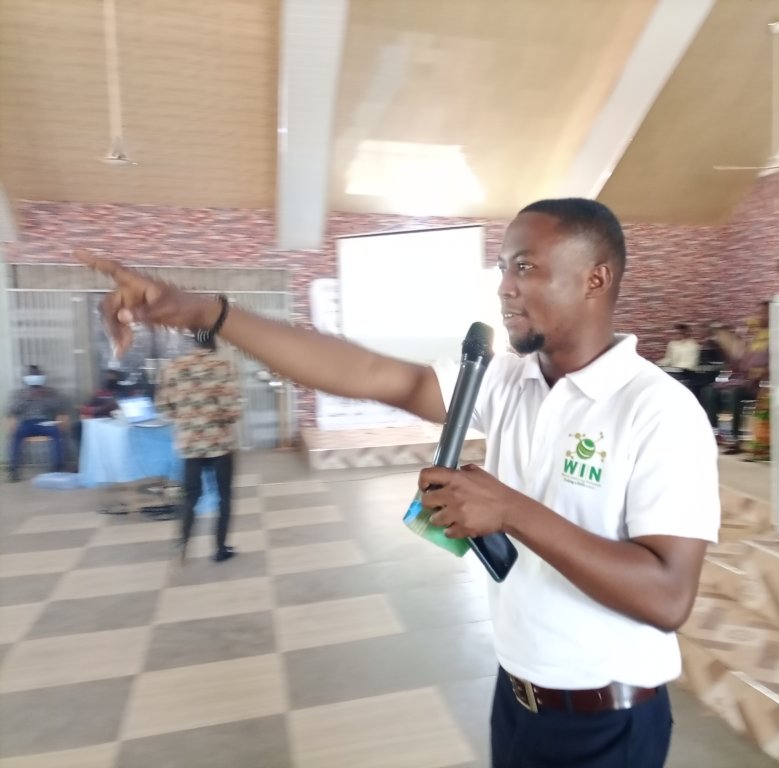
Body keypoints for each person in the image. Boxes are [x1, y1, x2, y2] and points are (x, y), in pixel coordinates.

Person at [81, 197, 720, 767]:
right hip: (516, 699)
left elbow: (667, 597)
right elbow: (368, 373)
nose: (504, 287)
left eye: (524, 267)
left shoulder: (657, 410)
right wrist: (205, 311)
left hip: (608, 724)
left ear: (594, 279)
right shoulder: (508, 380)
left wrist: (510, 511)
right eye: (502, 268)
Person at [156, 333, 242, 563]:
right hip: (220, 444)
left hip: (189, 445)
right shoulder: (222, 367)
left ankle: (183, 545)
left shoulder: (174, 367)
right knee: (224, 497)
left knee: (190, 497)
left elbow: (163, 407)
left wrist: (187, 419)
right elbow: (233, 411)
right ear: (214, 341)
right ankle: (220, 549)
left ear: (194, 341)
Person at [700, 302, 770, 454]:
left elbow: (774, 366)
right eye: (760, 313)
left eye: (763, 313)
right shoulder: (754, 337)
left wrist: (761, 371)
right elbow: (737, 363)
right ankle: (715, 433)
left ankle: (735, 439)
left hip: (756, 385)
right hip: (741, 380)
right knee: (708, 391)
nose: (759, 316)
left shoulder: (773, 338)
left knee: (732, 393)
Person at [6, 365, 69, 481]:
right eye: (32, 374)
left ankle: (58, 466)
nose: (34, 377)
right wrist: (26, 398)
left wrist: (45, 397)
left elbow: (59, 408)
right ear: (26, 377)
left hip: (45, 422)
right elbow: (12, 410)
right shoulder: (19, 393)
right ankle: (13, 469)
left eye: (37, 374)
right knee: (15, 434)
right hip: (27, 423)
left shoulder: (50, 392)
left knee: (57, 432)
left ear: (41, 377)